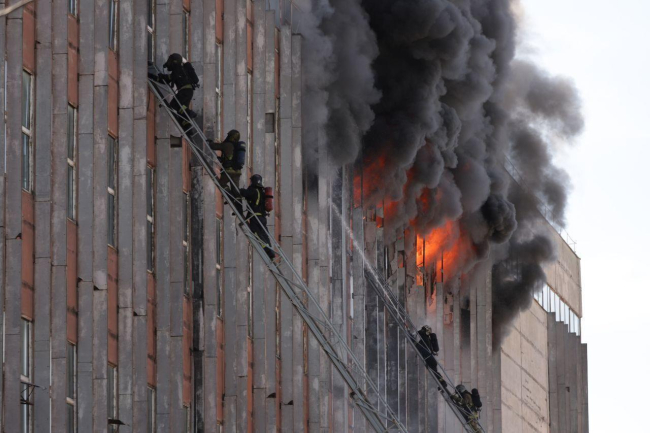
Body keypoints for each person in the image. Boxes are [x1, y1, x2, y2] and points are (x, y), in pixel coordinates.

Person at [157, 53, 198, 131]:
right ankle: (187, 127)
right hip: (188, 91)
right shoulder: (183, 69)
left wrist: (159, 76)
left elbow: (169, 78)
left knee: (174, 104)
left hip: (184, 91)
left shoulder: (178, 70)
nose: (168, 63)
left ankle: (190, 113)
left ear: (174, 62)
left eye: (170, 61)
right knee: (181, 111)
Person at [239, 174, 276, 260]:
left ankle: (266, 249)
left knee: (256, 233)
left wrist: (238, 190)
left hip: (255, 217)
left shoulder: (254, 190)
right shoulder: (262, 192)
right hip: (262, 218)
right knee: (264, 234)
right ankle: (270, 251)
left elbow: (245, 193)